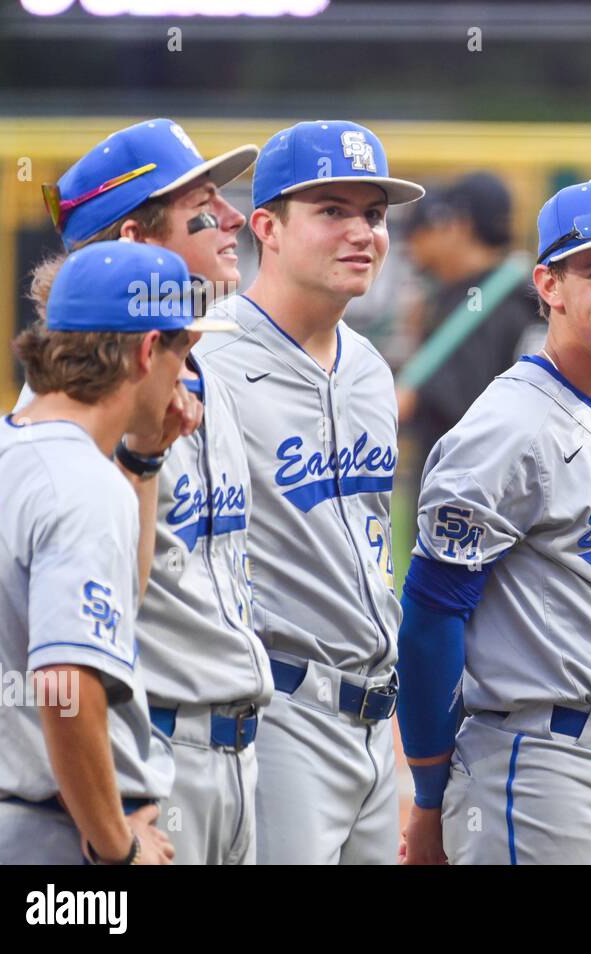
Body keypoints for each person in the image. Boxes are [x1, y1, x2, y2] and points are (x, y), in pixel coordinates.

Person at [397, 178, 591, 865]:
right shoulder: (508, 427)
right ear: (549, 286)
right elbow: (430, 618)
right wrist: (429, 793)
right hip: (539, 772)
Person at [26, 117, 269, 865]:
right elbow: (63, 662)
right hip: (150, 758)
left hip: (238, 755)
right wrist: (117, 812)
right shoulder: (81, 418)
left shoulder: (209, 375)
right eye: (202, 205)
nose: (231, 218)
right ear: (134, 240)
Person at [194, 120, 423, 864]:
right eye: (332, 211)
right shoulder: (206, 357)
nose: (362, 232)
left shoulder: (368, 369)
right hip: (277, 712)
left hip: (371, 718)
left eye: (375, 215)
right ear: (268, 227)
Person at [0, 240, 234, 864]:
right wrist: (116, 847)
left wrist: (144, 458)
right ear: (148, 351)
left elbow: (120, 595)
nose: (187, 375)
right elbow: (66, 683)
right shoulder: (81, 486)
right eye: (183, 352)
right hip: (52, 837)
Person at [397, 172, 542, 449]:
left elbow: (465, 405)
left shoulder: (493, 300)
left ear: (460, 225)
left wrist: (414, 397)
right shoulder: (518, 289)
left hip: (477, 477)